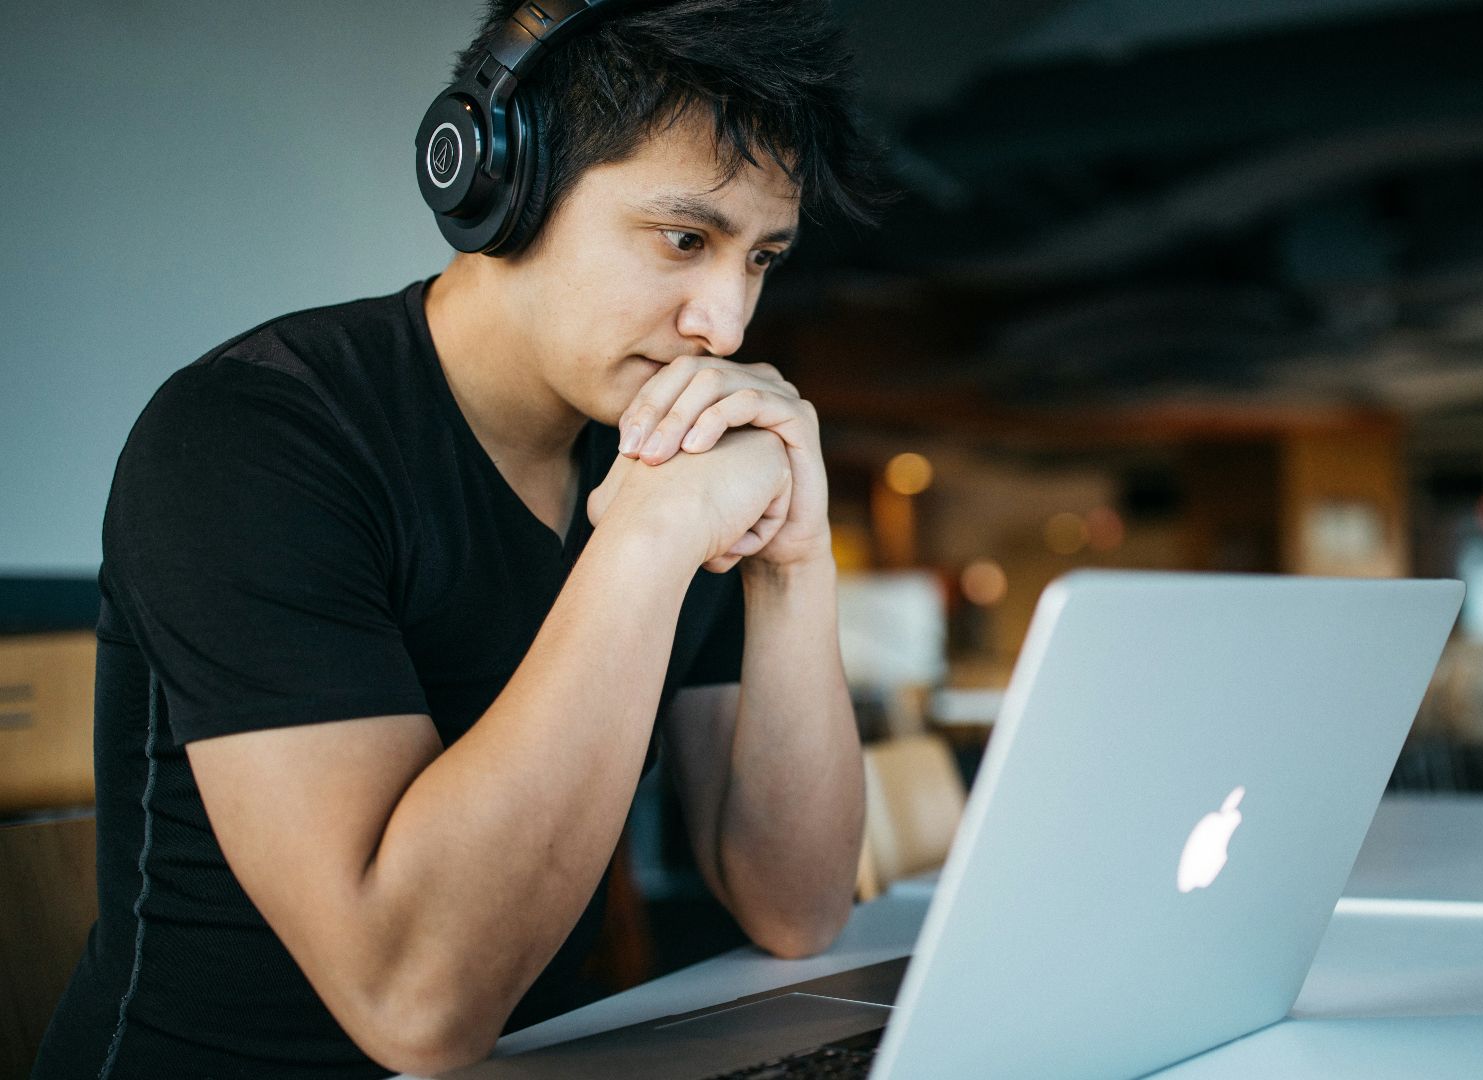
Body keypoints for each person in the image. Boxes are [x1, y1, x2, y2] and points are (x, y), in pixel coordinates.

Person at [34, 2, 888, 1077]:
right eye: (684, 239)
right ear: (500, 184)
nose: (725, 324)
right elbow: (414, 1006)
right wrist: (648, 540)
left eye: (761, 258)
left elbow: (797, 906)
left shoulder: (669, 450)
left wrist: (792, 559)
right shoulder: (248, 439)